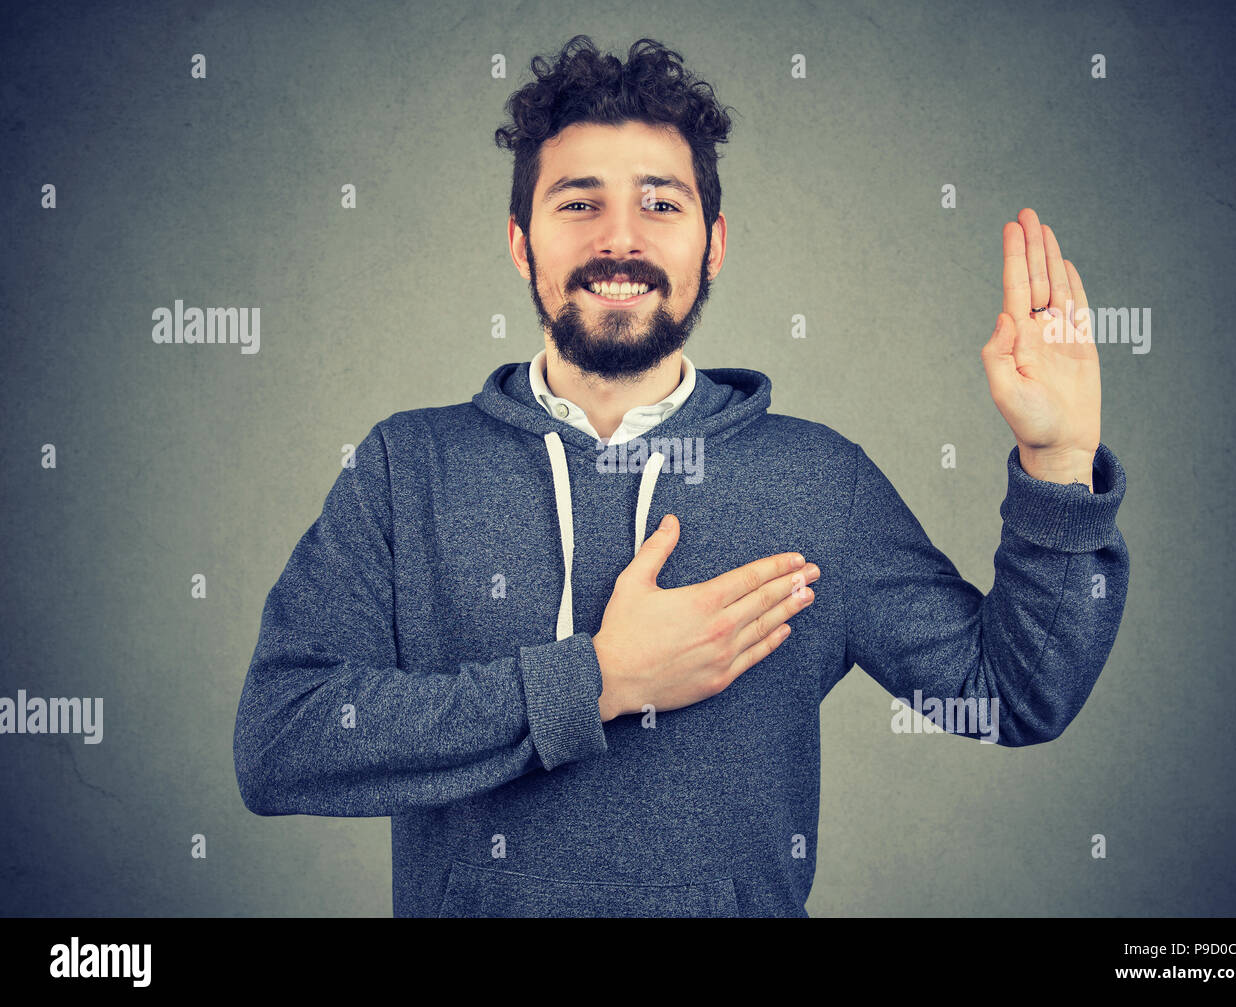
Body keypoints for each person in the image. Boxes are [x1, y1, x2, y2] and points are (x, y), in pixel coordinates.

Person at [233, 35, 1128, 917]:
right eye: (578, 205)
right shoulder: (406, 469)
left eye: (661, 204)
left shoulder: (817, 480)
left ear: (715, 243)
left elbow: (1008, 695)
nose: (620, 239)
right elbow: (282, 738)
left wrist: (1057, 464)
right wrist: (598, 680)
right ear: (519, 242)